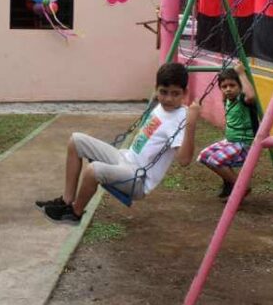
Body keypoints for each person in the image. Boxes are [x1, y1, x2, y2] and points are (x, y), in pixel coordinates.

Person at [36, 62, 200, 225]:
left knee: (93, 170)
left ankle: (74, 213)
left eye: (175, 93)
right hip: (125, 158)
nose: (168, 98)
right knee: (76, 140)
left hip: (138, 179)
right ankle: (66, 200)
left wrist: (191, 123)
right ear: (156, 88)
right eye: (163, 92)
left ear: (185, 93)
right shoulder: (159, 105)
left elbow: (184, 161)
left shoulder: (181, 118)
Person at [197, 63, 257, 200]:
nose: (228, 89)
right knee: (204, 156)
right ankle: (230, 183)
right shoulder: (228, 100)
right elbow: (225, 95)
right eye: (224, 87)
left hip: (243, 144)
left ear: (240, 86)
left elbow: (252, 96)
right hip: (230, 142)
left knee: (215, 160)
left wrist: (241, 74)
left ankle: (241, 187)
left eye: (232, 85)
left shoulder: (243, 100)